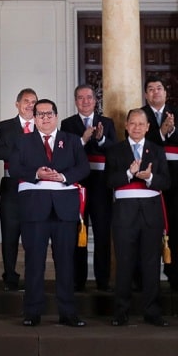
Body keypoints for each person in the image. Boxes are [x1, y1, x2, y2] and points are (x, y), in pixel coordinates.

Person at [9, 99, 89, 327]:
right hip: (34, 209)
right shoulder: (23, 141)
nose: (45, 118)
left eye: (49, 114)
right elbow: (14, 168)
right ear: (34, 118)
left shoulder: (71, 140)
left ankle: (68, 312)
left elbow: (83, 167)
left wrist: (63, 177)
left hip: (65, 209)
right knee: (34, 262)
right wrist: (37, 173)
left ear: (56, 116)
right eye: (40, 114)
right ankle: (32, 312)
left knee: (65, 262)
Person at [106, 108, 171, 327]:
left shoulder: (157, 150)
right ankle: (121, 312)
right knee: (124, 263)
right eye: (132, 123)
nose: (136, 128)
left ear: (148, 127)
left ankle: (152, 312)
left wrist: (150, 177)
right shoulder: (115, 150)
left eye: (141, 124)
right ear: (126, 125)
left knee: (151, 264)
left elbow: (166, 182)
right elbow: (109, 181)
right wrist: (129, 173)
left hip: (151, 214)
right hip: (124, 214)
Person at [60, 84, 116, 292]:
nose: (85, 101)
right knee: (77, 231)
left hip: (101, 184)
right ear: (76, 101)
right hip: (77, 184)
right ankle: (78, 280)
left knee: (102, 232)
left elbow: (115, 150)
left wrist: (100, 139)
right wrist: (82, 140)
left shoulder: (107, 123)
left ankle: (103, 280)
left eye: (89, 97)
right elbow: (64, 154)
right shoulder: (67, 124)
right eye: (81, 98)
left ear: (95, 100)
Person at [0, 88, 37, 291]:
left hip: (36, 187)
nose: (30, 105)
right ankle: (10, 277)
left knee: (33, 236)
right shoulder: (5, 126)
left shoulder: (43, 125)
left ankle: (32, 277)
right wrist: (24, 150)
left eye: (33, 102)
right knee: (10, 235)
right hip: (11, 186)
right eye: (26, 101)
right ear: (17, 104)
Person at [139, 76, 178, 290]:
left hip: (175, 180)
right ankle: (144, 280)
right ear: (146, 94)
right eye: (151, 89)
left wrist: (171, 130)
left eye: (159, 88)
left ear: (165, 92)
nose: (156, 92)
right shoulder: (139, 115)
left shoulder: (175, 113)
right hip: (148, 180)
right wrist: (162, 132)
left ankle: (175, 277)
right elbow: (136, 140)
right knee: (148, 230)